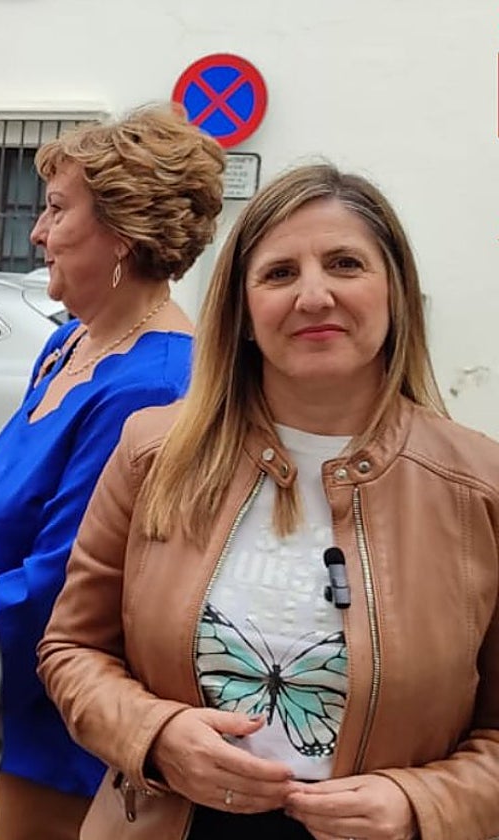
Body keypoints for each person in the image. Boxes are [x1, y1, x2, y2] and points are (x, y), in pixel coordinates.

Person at [38, 163, 499, 840]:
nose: (314, 297)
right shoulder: (153, 453)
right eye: (280, 273)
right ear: (244, 312)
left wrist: (420, 805)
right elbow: (72, 648)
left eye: (345, 264)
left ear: (395, 292)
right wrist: (157, 735)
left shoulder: (478, 488)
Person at [0, 105, 224, 838]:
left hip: (46, 729)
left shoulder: (156, 381)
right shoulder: (68, 345)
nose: (38, 233)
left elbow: (65, 580)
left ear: (123, 231)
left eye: (55, 210)